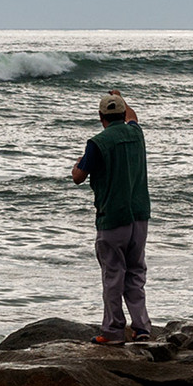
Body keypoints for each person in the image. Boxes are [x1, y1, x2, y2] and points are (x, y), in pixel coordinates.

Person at [71, 90, 152, 344]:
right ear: (122, 113)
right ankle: (141, 328)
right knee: (136, 273)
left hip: (112, 218)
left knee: (113, 275)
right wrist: (122, 97)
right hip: (139, 215)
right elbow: (134, 116)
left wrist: (77, 163)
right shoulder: (136, 133)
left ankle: (113, 331)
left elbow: (78, 177)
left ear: (100, 116)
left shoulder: (97, 143)